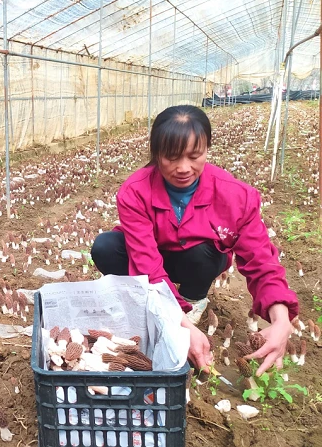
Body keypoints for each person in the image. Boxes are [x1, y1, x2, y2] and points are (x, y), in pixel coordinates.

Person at [90, 105, 298, 376]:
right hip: (153, 257)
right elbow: (147, 264)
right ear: (156, 155)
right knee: (106, 247)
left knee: (204, 253)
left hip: (198, 258)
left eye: (194, 155)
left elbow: (261, 259)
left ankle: (194, 298)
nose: (183, 168)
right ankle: (153, 307)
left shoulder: (235, 196)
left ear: (207, 150)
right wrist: (181, 327)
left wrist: (281, 319)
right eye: (172, 157)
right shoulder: (135, 192)